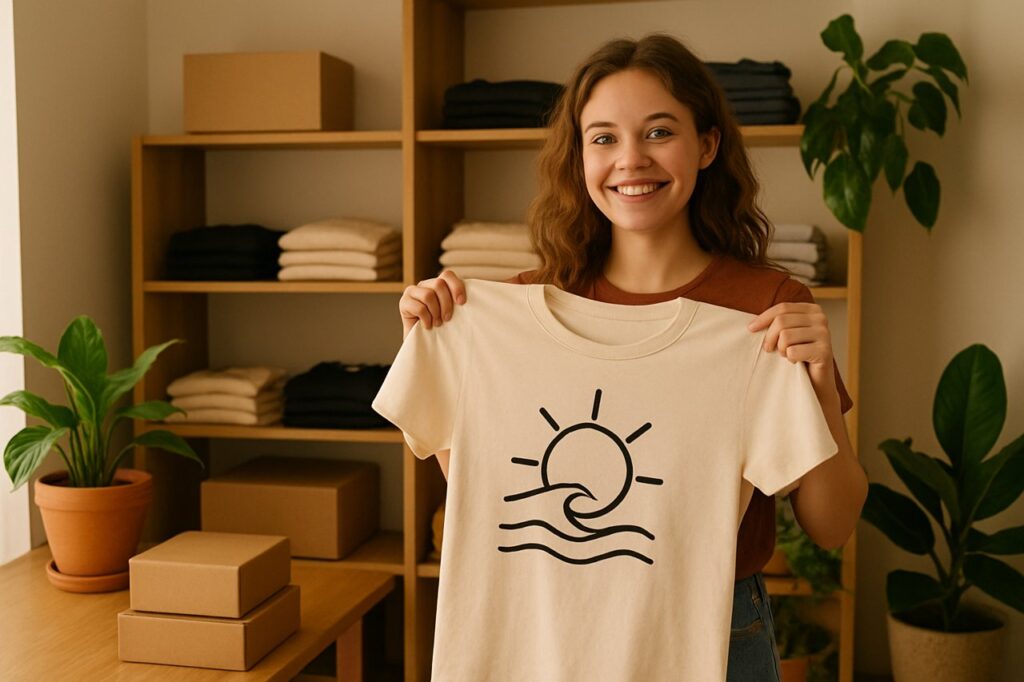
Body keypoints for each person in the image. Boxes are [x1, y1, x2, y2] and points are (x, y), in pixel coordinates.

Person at [396, 34, 868, 682]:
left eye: (658, 132)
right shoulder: (515, 309)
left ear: (706, 145)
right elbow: (490, 490)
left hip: (710, 633)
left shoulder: (763, 310)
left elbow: (833, 526)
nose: (631, 160)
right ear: (578, 156)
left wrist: (817, 388)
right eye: (604, 138)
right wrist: (435, 344)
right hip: (548, 621)